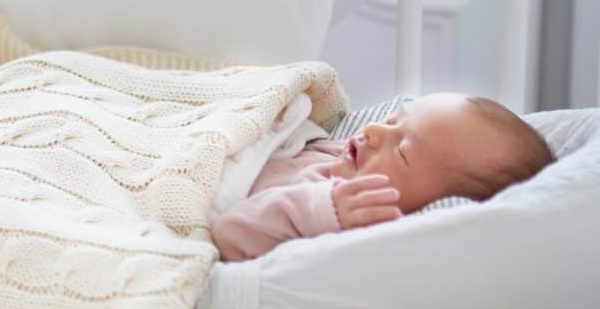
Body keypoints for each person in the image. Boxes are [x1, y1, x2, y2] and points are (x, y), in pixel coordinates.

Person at [212, 93, 555, 262]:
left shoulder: (330, 210)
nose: (374, 131)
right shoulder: (342, 154)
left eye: (402, 150)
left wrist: (322, 209)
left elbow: (230, 233)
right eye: (392, 120)